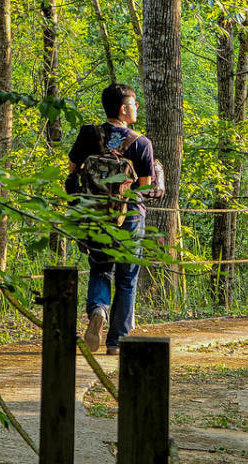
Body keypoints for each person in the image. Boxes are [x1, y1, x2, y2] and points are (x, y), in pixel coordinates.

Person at [68, 83, 155, 355]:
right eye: (134, 103)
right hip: (129, 218)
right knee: (127, 278)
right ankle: (117, 342)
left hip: (95, 216)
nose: (136, 107)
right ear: (122, 108)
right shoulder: (141, 143)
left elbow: (73, 173)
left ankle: (98, 309)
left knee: (100, 268)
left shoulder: (88, 135)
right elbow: (145, 186)